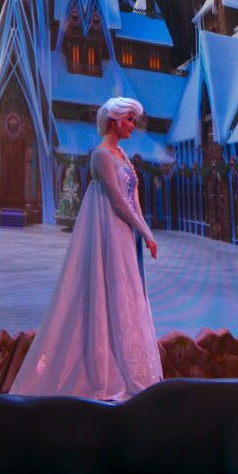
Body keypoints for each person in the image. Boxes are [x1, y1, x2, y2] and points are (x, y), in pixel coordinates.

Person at [9, 97, 162, 401]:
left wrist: (146, 233)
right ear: (114, 120)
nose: (133, 125)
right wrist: (143, 231)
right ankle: (89, 367)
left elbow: (135, 201)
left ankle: (129, 363)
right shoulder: (101, 156)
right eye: (129, 119)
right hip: (109, 234)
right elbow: (119, 202)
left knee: (127, 293)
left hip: (125, 236)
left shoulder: (123, 156)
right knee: (106, 292)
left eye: (134, 120)